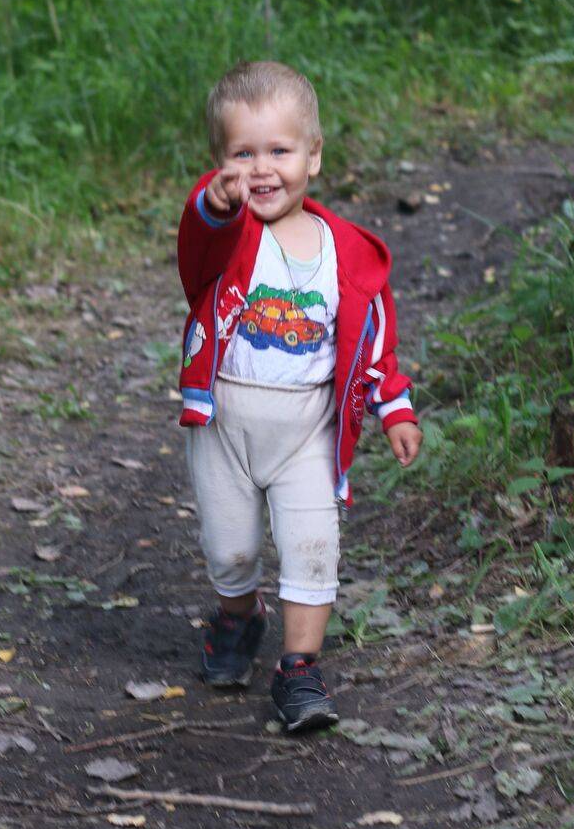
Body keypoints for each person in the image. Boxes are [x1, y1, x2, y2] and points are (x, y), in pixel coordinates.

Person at [177, 61, 422, 732]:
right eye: (242, 154)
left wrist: (393, 407)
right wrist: (215, 204)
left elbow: (372, 340)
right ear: (220, 164)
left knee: (313, 545)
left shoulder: (346, 252)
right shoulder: (228, 235)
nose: (261, 169)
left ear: (313, 156)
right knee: (230, 552)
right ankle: (238, 617)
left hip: (308, 429)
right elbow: (200, 229)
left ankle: (299, 668)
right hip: (226, 424)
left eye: (279, 151)